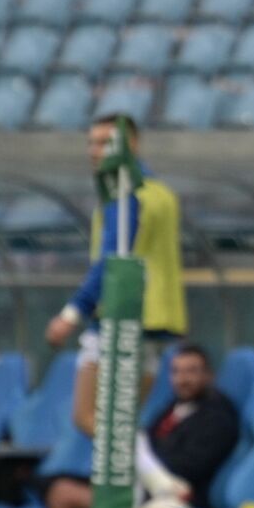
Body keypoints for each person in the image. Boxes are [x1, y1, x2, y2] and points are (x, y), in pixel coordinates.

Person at [44, 114, 187, 437]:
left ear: (130, 144)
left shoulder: (124, 193)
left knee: (91, 419)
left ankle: (158, 482)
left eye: (104, 142)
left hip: (120, 315)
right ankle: (150, 483)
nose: (94, 151)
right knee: (119, 426)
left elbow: (112, 259)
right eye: (91, 143)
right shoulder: (161, 193)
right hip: (156, 320)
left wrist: (72, 312)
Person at [46, 344, 238, 508]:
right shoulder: (172, 408)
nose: (182, 379)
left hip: (176, 497)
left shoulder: (218, 415)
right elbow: (149, 442)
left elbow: (192, 465)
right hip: (142, 485)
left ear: (208, 375)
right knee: (57, 483)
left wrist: (141, 465)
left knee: (62, 495)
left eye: (191, 371)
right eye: (176, 372)